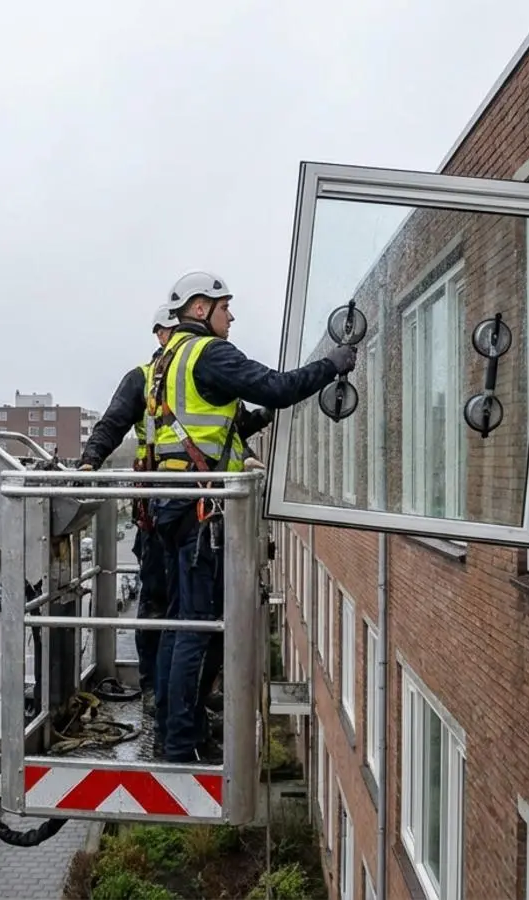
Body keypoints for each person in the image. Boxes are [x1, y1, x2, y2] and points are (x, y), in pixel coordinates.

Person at [146, 270, 356, 763]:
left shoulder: (168, 360)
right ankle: (181, 741)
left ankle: (179, 730)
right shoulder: (209, 353)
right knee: (199, 626)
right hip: (197, 508)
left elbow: (223, 421)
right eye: (225, 307)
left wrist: (259, 419)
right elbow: (277, 387)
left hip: (173, 504)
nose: (232, 316)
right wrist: (331, 365)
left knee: (184, 623)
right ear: (200, 309)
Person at [78, 305, 271, 736]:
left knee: (196, 614)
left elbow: (231, 429)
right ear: (159, 334)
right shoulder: (143, 378)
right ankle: (157, 694)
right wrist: (89, 463)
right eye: (166, 332)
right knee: (159, 606)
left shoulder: (194, 374)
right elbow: (112, 424)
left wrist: (268, 415)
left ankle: (185, 701)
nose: (172, 339)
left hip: (191, 507)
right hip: (161, 513)